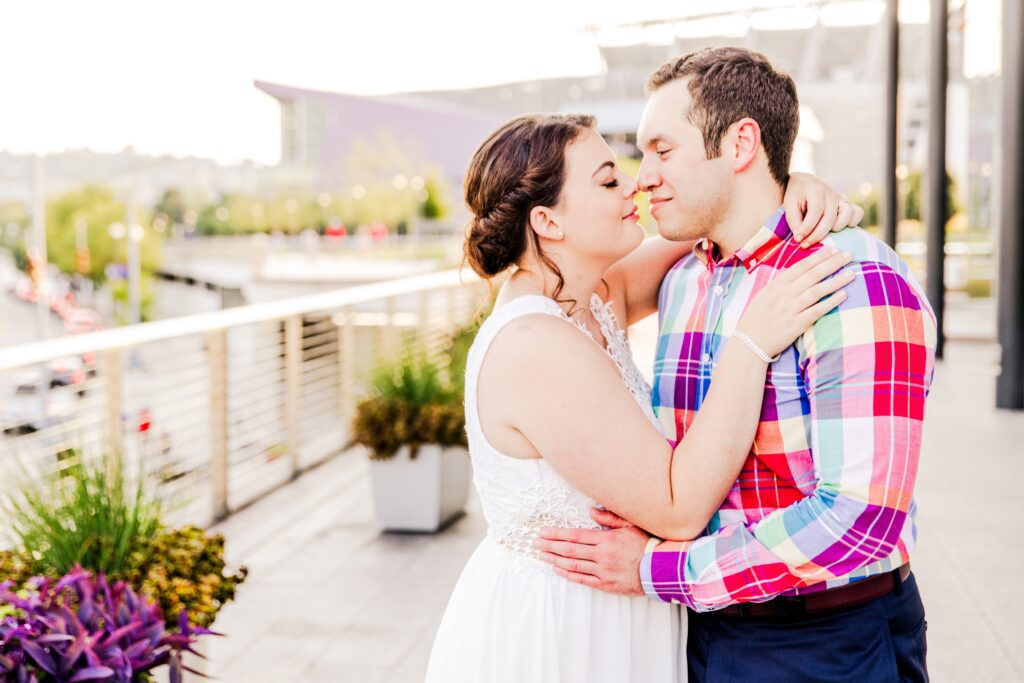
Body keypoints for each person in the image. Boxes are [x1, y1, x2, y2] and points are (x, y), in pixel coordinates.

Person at [536, 48, 935, 683]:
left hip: (822, 641)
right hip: (696, 628)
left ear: (741, 142)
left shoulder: (853, 278)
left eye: (662, 151)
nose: (642, 178)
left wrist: (656, 571)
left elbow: (861, 519)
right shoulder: (685, 277)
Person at [425, 104, 864, 682]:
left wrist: (788, 188)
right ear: (547, 222)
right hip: (561, 633)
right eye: (608, 180)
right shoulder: (534, 343)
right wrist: (751, 342)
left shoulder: (593, 295)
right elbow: (677, 508)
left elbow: (723, 222)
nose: (634, 185)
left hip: (617, 618)